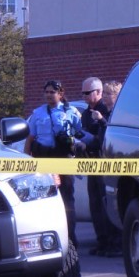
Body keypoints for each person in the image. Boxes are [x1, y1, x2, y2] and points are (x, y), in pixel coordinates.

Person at [24, 80, 85, 248]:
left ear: (61, 93)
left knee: (67, 199)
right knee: (42, 197)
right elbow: (30, 138)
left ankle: (70, 239)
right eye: (47, 92)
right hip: (43, 158)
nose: (49, 95)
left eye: (53, 92)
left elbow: (81, 135)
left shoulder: (70, 112)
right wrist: (26, 160)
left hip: (63, 159)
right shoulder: (38, 113)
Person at [79, 77, 123, 257]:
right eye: (104, 93)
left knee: (108, 205)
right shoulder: (86, 113)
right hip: (92, 162)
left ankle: (116, 244)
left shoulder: (113, 112)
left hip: (107, 164)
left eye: (108, 93)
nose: (105, 97)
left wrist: (102, 121)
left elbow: (111, 136)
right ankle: (103, 242)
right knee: (96, 204)